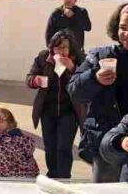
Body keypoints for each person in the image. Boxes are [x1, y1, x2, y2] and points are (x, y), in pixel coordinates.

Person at [68, 1, 128, 183]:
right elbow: (75, 92)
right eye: (123, 27)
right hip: (105, 143)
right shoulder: (100, 56)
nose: (127, 34)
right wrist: (94, 77)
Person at [26, 30, 86, 179]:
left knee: (64, 147)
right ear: (51, 48)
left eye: (65, 47)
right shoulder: (43, 58)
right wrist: (36, 80)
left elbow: (85, 83)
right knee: (50, 147)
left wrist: (72, 68)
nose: (61, 51)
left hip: (69, 110)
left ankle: (64, 177)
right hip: (48, 109)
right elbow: (29, 78)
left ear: (71, 48)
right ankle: (52, 175)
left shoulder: (79, 59)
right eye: (57, 47)